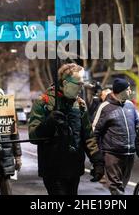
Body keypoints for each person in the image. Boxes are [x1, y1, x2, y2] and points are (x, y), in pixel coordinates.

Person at [29, 63, 105, 195]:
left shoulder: (80, 104)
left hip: (74, 168)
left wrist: (97, 161)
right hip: (53, 169)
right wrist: (49, 122)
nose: (81, 88)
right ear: (65, 83)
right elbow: (33, 136)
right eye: (78, 84)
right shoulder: (44, 102)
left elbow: (88, 135)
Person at [93, 78, 139, 195]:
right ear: (120, 91)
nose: (130, 92)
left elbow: (138, 125)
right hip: (112, 154)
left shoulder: (130, 105)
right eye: (128, 90)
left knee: (122, 185)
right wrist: (97, 156)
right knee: (116, 187)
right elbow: (94, 132)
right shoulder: (105, 107)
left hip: (129, 153)